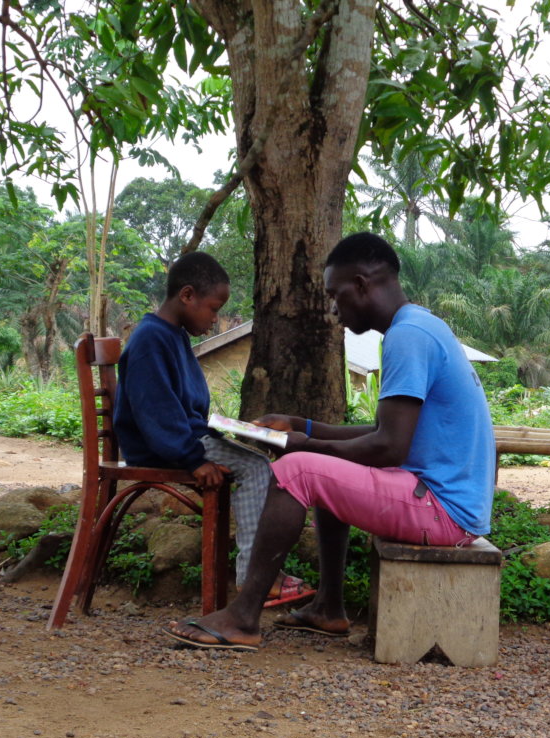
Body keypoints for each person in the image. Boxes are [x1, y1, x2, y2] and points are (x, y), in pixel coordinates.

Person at [164, 233, 496, 651]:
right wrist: (303, 426)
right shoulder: (420, 326)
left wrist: (300, 447)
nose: (334, 310)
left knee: (294, 471)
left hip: (442, 510)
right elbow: (383, 435)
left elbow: (387, 449)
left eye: (336, 296)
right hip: (442, 499)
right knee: (323, 468)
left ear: (361, 284)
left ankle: (243, 617)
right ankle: (328, 608)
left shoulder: (407, 338)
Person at [114, 251, 314, 605]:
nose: (215, 319)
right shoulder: (150, 340)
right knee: (257, 469)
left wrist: (227, 429)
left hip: (187, 437)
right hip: (166, 445)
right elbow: (157, 413)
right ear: (187, 295)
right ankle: (255, 575)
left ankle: (259, 572)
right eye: (213, 308)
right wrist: (193, 458)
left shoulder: (172, 335)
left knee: (258, 459)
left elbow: (184, 407)